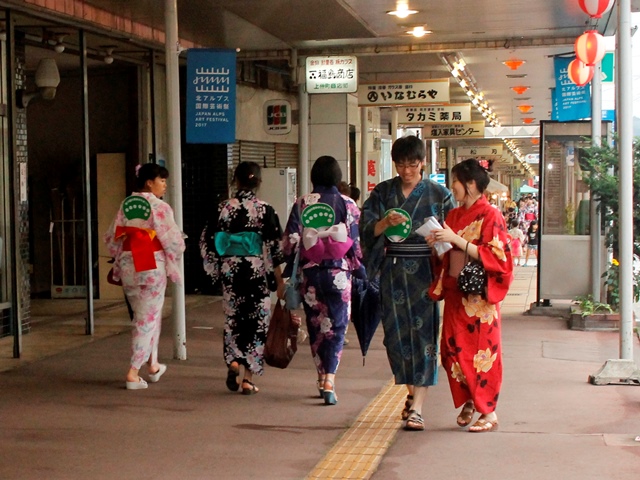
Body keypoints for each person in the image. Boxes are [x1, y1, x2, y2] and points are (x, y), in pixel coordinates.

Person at [360, 135, 456, 431]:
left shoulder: (439, 194)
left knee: (425, 338)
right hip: (392, 271)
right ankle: (412, 392)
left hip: (426, 274)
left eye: (412, 164)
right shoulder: (383, 193)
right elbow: (366, 230)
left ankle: (417, 408)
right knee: (395, 337)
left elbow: (456, 233)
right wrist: (383, 224)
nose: (406, 170)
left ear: (423, 162)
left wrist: (441, 239)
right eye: (400, 164)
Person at [427, 158, 513, 433]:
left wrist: (457, 240)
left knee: (480, 354)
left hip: (478, 299)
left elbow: (498, 256)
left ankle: (489, 412)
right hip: (455, 291)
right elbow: (446, 254)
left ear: (471, 184)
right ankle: (469, 401)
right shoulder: (453, 215)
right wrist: (437, 243)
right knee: (452, 351)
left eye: (455, 180)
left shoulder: (491, 215)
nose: (452, 186)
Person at [282, 156, 363, 405]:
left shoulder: (302, 203)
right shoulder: (348, 203)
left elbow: (289, 244)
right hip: (339, 273)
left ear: (313, 177)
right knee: (337, 327)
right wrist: (358, 266)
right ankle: (330, 379)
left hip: (312, 273)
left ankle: (320, 377)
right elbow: (356, 243)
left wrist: (310, 243)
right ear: (338, 178)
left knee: (317, 324)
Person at [200, 161, 286, 395]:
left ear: (235, 181)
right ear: (258, 182)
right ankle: (248, 379)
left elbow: (207, 240)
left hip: (231, 269)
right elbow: (275, 248)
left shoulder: (222, 208)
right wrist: (278, 281)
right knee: (257, 323)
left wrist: (216, 269)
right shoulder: (265, 209)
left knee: (234, 319)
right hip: (256, 269)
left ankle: (234, 362)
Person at [104, 163, 186, 390]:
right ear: (149, 182)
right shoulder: (160, 207)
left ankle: (153, 363)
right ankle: (133, 371)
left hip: (130, 265)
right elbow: (173, 241)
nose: (164, 185)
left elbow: (112, 237)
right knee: (146, 319)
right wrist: (178, 249)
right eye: (162, 181)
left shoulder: (126, 204)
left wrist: (121, 256)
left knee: (148, 315)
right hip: (151, 263)